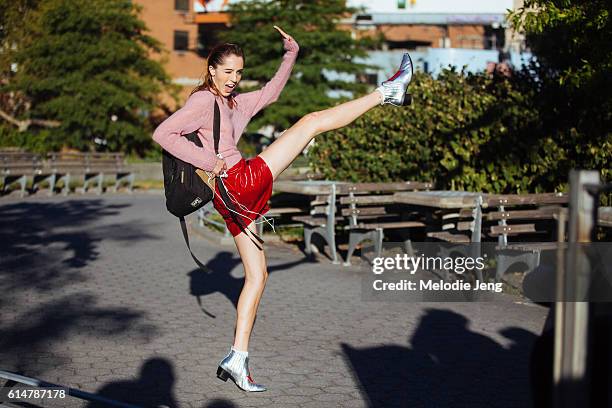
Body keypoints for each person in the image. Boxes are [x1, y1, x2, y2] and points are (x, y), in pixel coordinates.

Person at [153, 26, 414, 392]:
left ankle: (237, 359)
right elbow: (163, 134)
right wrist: (209, 161)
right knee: (310, 123)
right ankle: (388, 91)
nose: (233, 79)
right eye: (227, 72)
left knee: (257, 276)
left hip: (232, 201)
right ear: (211, 69)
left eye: (239, 72)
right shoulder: (201, 102)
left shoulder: (232, 103)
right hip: (238, 183)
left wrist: (290, 54)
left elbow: (271, 93)